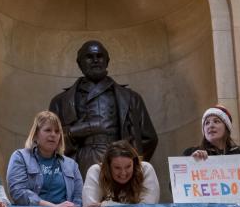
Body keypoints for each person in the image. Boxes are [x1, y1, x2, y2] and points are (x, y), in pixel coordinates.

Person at [48, 40, 158, 174]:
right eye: (89, 57)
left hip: (119, 163)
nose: (95, 60)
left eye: (99, 56)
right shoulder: (60, 101)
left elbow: (148, 138)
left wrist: (130, 165)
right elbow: (49, 142)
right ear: (79, 63)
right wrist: (77, 131)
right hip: (80, 163)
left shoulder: (131, 98)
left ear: (107, 61)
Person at [7, 110, 84, 207]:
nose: (53, 134)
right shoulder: (20, 157)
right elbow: (18, 192)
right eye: (48, 130)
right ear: (35, 134)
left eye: (57, 131)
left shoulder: (72, 164)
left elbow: (78, 198)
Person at [82, 140, 160, 207]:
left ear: (134, 162)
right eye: (117, 168)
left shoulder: (145, 169)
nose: (123, 173)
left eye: (128, 166)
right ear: (108, 166)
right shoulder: (96, 171)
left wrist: (106, 205)